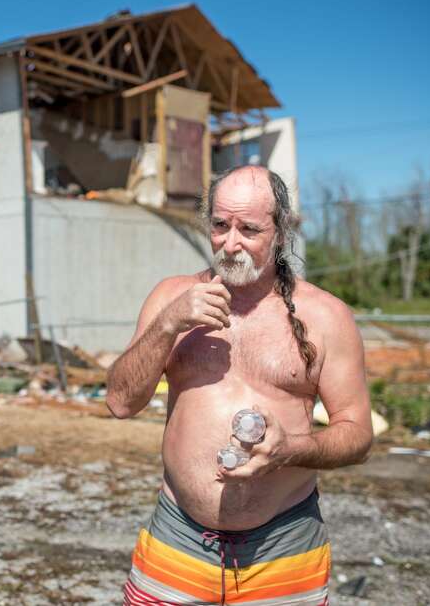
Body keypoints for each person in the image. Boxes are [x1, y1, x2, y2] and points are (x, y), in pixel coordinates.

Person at [107, 166, 373, 605]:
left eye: (249, 229)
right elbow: (119, 402)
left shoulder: (326, 317)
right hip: (178, 538)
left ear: (281, 231)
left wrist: (292, 449)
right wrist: (169, 323)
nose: (230, 244)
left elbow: (358, 436)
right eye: (219, 225)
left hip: (284, 547)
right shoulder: (170, 297)